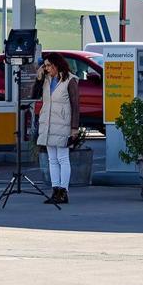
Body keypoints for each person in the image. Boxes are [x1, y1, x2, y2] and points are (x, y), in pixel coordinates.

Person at [36, 53, 80, 204]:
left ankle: (63, 191)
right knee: (52, 159)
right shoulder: (46, 79)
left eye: (49, 65)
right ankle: (55, 190)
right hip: (48, 124)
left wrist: (74, 127)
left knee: (62, 158)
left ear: (57, 65)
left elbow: (75, 105)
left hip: (62, 124)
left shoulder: (70, 80)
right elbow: (35, 95)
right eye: (45, 66)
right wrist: (39, 78)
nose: (47, 68)